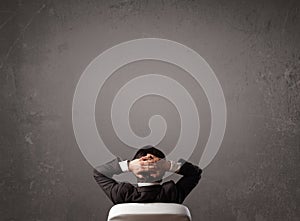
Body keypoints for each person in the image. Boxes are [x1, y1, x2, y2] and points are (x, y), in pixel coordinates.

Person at [93, 145, 202, 204]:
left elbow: (98, 173)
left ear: (136, 172)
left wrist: (129, 165)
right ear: (163, 172)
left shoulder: (122, 194)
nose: (148, 165)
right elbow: (195, 173)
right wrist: (167, 165)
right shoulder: (172, 193)